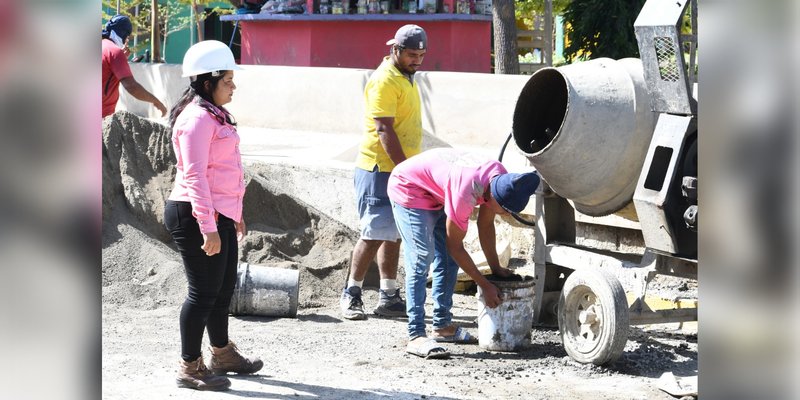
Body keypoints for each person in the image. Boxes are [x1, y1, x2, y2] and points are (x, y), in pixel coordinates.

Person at [164, 40, 262, 391]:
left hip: (218, 213)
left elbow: (225, 170)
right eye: (228, 81)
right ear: (208, 82)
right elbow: (195, 176)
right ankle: (190, 366)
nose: (233, 87)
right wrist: (209, 228)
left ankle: (222, 354)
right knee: (202, 293)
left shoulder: (213, 114)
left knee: (222, 290)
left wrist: (234, 215)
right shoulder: (195, 120)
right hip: (193, 215)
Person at [387, 148, 540, 359]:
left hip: (439, 190)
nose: (505, 215)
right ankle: (416, 335)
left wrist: (496, 268)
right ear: (495, 197)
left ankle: (442, 326)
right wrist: (484, 285)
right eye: (505, 211)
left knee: (450, 262)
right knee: (422, 256)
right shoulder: (466, 191)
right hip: (409, 187)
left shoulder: (499, 178)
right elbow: (455, 246)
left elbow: (485, 227)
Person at [340, 24, 428, 320]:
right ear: (396, 50)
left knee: (393, 234)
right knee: (374, 232)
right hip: (379, 168)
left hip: (400, 169)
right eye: (412, 55)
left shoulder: (406, 76)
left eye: (421, 55)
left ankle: (388, 296)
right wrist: (405, 168)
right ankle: (351, 293)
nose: (417, 60)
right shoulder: (384, 80)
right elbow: (383, 129)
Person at [102, 15, 167, 119]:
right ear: (123, 34)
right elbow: (132, 87)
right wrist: (155, 101)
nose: (126, 41)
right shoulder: (115, 52)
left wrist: (122, 59)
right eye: (127, 37)